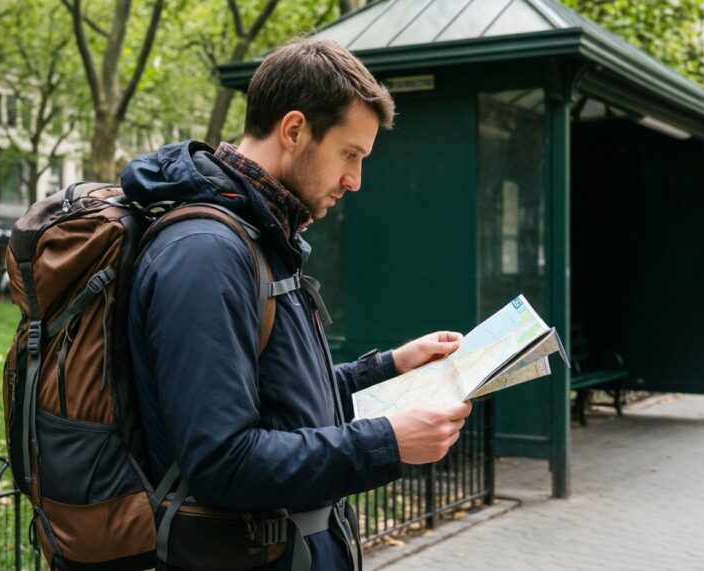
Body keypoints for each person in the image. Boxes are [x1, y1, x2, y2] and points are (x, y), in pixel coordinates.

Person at [123, 38, 473, 570]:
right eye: (349, 154)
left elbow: (284, 406)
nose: (354, 180)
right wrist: (385, 442)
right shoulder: (205, 254)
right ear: (294, 130)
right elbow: (223, 461)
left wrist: (390, 367)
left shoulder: (262, 235)